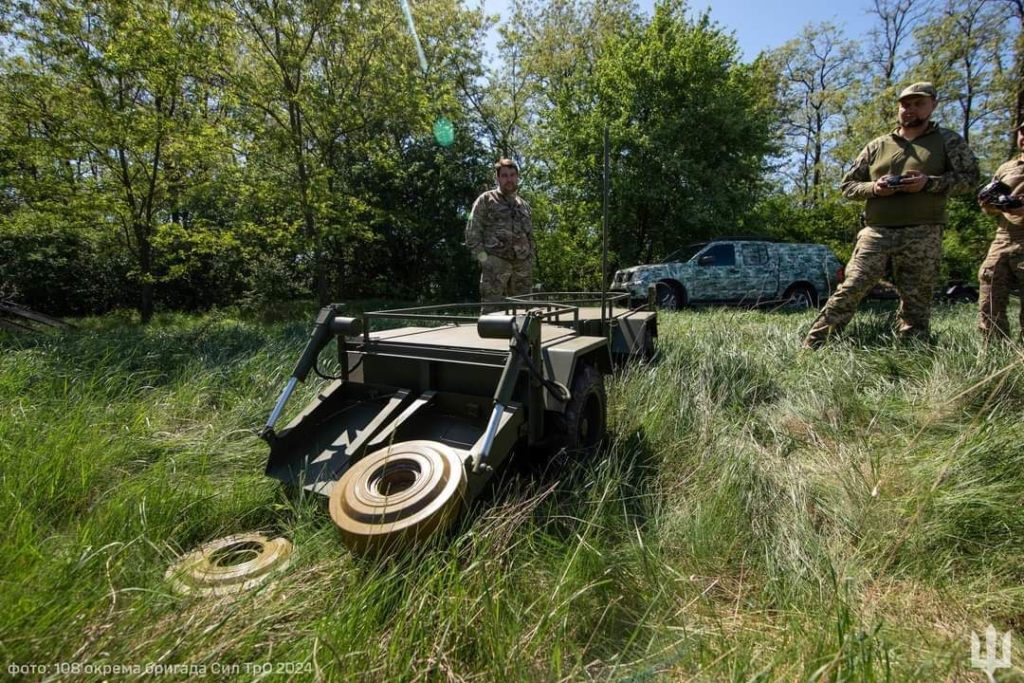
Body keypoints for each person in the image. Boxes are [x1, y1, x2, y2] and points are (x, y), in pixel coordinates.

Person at [802, 82, 979, 349]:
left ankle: (910, 353)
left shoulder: (948, 140)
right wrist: (875, 187)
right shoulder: (878, 145)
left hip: (923, 232)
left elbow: (970, 180)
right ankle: (814, 346)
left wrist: (928, 183)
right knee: (852, 286)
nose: (910, 109)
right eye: (905, 104)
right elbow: (847, 186)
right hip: (877, 231)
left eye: (918, 103)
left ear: (933, 105)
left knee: (916, 297)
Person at [977, 122, 1024, 343]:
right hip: (1004, 238)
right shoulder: (1007, 168)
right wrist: (989, 202)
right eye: (1022, 132)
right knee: (989, 298)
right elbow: (988, 210)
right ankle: (994, 353)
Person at [465, 158, 534, 303]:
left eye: (512, 175)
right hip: (495, 266)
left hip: (521, 269)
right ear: (497, 178)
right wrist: (485, 260)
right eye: (504, 175)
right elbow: (472, 232)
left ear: (517, 177)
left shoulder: (524, 206)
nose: (509, 179)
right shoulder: (485, 200)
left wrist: (529, 259)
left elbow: (530, 237)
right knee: (491, 313)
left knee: (524, 313)